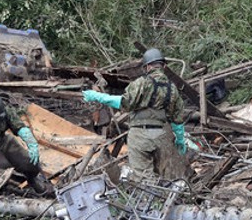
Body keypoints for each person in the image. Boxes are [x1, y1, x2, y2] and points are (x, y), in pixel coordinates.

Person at [81, 48, 191, 181]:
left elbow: (124, 103)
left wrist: (98, 96)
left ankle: (147, 199)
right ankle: (165, 199)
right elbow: (177, 119)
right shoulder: (172, 89)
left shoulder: (142, 83)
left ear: (147, 67)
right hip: (162, 136)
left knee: (143, 178)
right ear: (164, 66)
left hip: (140, 135)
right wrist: (180, 139)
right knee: (165, 177)